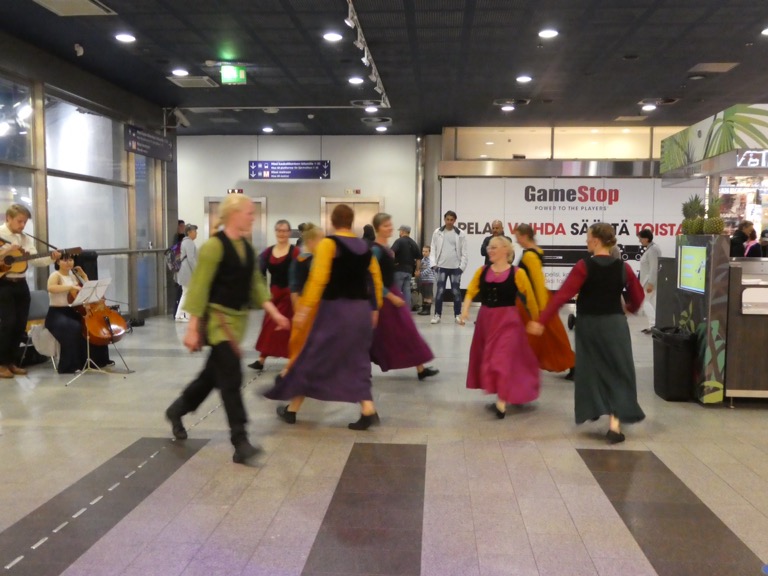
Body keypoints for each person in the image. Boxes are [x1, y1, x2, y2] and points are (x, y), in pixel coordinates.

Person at [164, 194, 290, 465]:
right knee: (231, 378)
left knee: (210, 377)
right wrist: (193, 328)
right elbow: (199, 288)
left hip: (237, 323)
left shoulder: (245, 247)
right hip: (219, 324)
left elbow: (256, 284)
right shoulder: (213, 247)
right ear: (233, 214)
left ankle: (177, 409)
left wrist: (274, 312)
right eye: (248, 212)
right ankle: (240, 441)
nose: (252, 216)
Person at [264, 204, 384, 430]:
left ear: (332, 221)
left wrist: (304, 311)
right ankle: (367, 409)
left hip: (335, 311)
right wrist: (375, 309)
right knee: (357, 361)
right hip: (360, 312)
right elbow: (376, 280)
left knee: (312, 358)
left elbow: (318, 280)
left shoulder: (329, 244)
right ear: (351, 222)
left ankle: (291, 410)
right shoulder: (365, 246)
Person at [527, 223, 646, 444]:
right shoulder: (623, 267)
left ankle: (593, 407)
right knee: (618, 371)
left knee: (591, 370)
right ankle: (615, 425)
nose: (585, 240)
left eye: (588, 237)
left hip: (590, 325)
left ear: (596, 241)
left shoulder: (584, 266)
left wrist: (542, 321)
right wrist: (629, 308)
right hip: (615, 326)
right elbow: (638, 297)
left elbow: (562, 296)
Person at [460, 235, 540, 418]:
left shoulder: (517, 273)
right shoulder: (482, 271)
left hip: (508, 320)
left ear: (506, 250)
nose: (490, 250)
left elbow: (530, 298)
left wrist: (536, 320)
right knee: (490, 358)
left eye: (494, 247)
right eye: (489, 247)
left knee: (501, 358)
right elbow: (471, 291)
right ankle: (501, 392)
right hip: (486, 320)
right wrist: (465, 310)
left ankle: (502, 402)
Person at [369, 213, 439, 381]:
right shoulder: (375, 250)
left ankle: (420, 368)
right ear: (378, 228)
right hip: (383, 297)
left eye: (390, 224)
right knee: (377, 334)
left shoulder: (386, 248)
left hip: (391, 293)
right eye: (386, 225)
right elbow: (371, 277)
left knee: (406, 330)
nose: (390, 228)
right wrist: (389, 296)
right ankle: (361, 367)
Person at [0, 204, 60, 379]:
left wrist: (51, 257)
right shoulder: (1, 234)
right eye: (19, 221)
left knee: (20, 324)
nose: (22, 225)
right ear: (8, 218)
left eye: (25, 222)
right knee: (8, 323)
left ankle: (11, 362)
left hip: (21, 283)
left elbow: (36, 260)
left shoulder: (25, 238)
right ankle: (1, 363)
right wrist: (6, 252)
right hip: (3, 284)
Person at [514, 224, 575, 379]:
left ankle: (571, 362)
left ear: (524, 236)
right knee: (549, 335)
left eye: (518, 236)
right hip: (535, 297)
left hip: (533, 299)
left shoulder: (530, 256)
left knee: (548, 335)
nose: (517, 240)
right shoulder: (536, 251)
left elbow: (537, 280)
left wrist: (542, 309)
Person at [45, 254, 112, 373]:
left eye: (71, 260)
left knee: (91, 327)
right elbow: (51, 288)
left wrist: (84, 276)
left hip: (72, 311)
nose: (69, 262)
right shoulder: (55, 275)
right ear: (58, 262)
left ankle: (94, 361)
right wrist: (70, 287)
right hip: (57, 314)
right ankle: (69, 366)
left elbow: (88, 289)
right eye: (65, 260)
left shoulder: (73, 276)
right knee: (74, 328)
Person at [249, 220, 300, 371]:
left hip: (289, 295)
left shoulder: (295, 251)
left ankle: (293, 360)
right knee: (268, 325)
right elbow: (258, 271)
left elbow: (303, 271)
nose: (281, 234)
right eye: (279, 230)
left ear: (289, 233)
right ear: (275, 232)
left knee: (281, 328)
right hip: (273, 295)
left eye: (284, 231)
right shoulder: (268, 251)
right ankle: (261, 360)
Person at [287, 223, 324, 362]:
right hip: (306, 306)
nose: (324, 241)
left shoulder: (322, 259)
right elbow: (294, 288)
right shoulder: (301, 260)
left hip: (321, 307)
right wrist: (299, 311)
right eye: (321, 238)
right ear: (311, 241)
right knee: (302, 344)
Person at [430, 210, 468, 324]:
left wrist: (461, 267)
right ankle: (437, 315)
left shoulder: (460, 233)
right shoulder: (437, 232)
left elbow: (464, 251)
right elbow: (433, 248)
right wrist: (434, 265)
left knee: (456, 291)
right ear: (444, 219)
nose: (449, 222)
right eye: (447, 219)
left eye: (452, 220)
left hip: (455, 267)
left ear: (455, 220)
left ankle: (457, 314)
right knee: (440, 291)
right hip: (441, 266)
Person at [391, 224, 422, 311]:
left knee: (397, 290)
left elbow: (391, 252)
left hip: (398, 269)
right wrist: (417, 270)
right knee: (407, 291)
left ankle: (396, 310)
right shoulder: (413, 243)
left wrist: (391, 263)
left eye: (400, 231)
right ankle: (407, 311)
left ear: (402, 231)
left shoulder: (399, 241)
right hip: (409, 271)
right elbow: (418, 259)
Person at [637, 228, 662, 334]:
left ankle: (653, 324)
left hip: (649, 282)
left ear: (646, 239)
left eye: (641, 238)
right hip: (648, 281)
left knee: (644, 302)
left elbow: (653, 267)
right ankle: (654, 324)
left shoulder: (652, 250)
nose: (639, 241)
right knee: (651, 302)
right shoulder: (651, 249)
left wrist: (651, 283)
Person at [174, 224, 198, 321]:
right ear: (189, 232)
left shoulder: (186, 242)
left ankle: (186, 315)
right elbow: (191, 259)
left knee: (187, 293)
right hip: (187, 272)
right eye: (195, 231)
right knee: (186, 293)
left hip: (185, 271)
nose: (196, 233)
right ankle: (179, 315)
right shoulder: (189, 242)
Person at [417, 245, 435, 316]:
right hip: (423, 280)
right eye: (423, 251)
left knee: (428, 295)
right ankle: (424, 309)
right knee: (424, 295)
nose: (424, 253)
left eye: (426, 251)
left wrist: (420, 274)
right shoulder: (423, 259)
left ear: (429, 252)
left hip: (428, 280)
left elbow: (429, 269)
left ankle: (427, 310)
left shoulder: (430, 260)